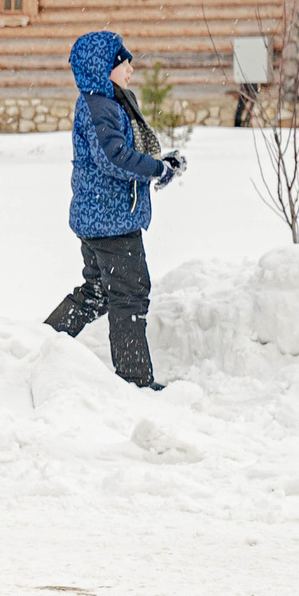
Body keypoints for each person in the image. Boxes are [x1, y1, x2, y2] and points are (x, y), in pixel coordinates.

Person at [45, 30, 185, 389]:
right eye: (124, 63)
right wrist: (155, 169)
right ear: (103, 67)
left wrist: (157, 161)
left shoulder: (105, 102)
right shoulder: (100, 106)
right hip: (110, 222)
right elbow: (113, 158)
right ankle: (135, 379)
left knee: (97, 294)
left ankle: (40, 346)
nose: (131, 70)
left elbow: (120, 151)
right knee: (129, 295)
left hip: (102, 217)